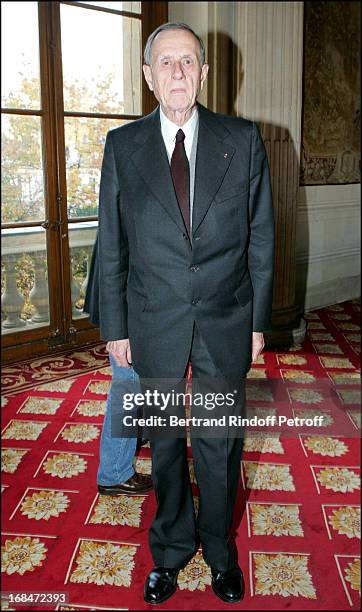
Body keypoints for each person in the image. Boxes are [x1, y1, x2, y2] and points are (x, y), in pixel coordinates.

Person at [84, 21, 275, 604]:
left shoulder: (241, 140)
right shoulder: (123, 146)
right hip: (152, 323)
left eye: (187, 61)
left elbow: (262, 238)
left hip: (225, 320)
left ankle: (220, 551)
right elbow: (111, 243)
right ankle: (169, 550)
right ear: (148, 75)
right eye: (165, 62)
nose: (176, 72)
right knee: (164, 445)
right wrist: (115, 328)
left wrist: (258, 324)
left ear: (205, 73)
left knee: (219, 445)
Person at [84, 237, 152, 496]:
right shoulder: (129, 196)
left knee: (137, 382)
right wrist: (122, 331)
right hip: (128, 309)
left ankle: (142, 433)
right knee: (128, 384)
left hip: (129, 305)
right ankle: (114, 473)